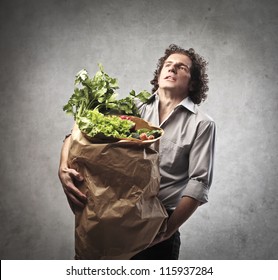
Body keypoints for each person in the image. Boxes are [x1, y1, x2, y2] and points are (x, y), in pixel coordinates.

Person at [58, 44, 216, 260]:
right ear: (159, 73)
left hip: (158, 226)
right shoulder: (131, 107)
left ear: (193, 82)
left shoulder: (202, 124)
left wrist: (168, 230)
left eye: (181, 68)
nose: (172, 69)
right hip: (112, 215)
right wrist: (63, 167)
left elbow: (198, 182)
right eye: (168, 65)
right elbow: (79, 133)